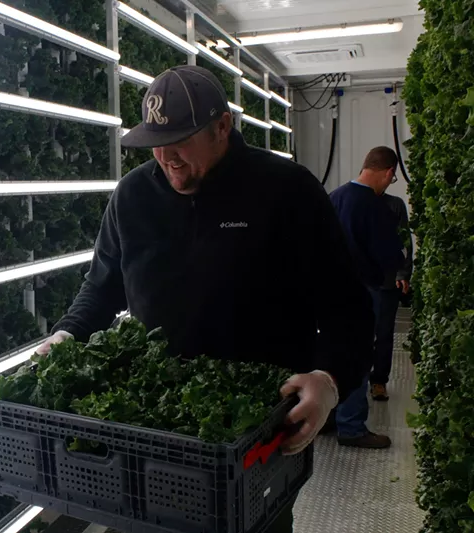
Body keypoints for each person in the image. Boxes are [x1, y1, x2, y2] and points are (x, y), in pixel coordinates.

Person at [38, 65, 374, 533]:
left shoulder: (287, 190)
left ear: (222, 127)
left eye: (180, 140)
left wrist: (330, 380)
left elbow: (347, 307)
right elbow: (101, 286)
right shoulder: (133, 196)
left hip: (257, 431)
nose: (166, 157)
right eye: (156, 142)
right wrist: (66, 334)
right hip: (155, 427)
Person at [327, 147, 407, 449]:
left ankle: (329, 417)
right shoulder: (374, 207)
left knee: (333, 354)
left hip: (331, 291)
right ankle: (351, 426)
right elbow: (390, 256)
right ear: (388, 173)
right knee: (358, 357)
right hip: (362, 292)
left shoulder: (334, 197)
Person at [370, 192, 413, 400]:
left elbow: (404, 242)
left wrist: (403, 273)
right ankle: (354, 381)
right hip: (360, 281)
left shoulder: (395, 205)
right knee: (358, 333)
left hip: (387, 282)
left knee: (384, 333)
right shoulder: (353, 200)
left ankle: (379, 381)